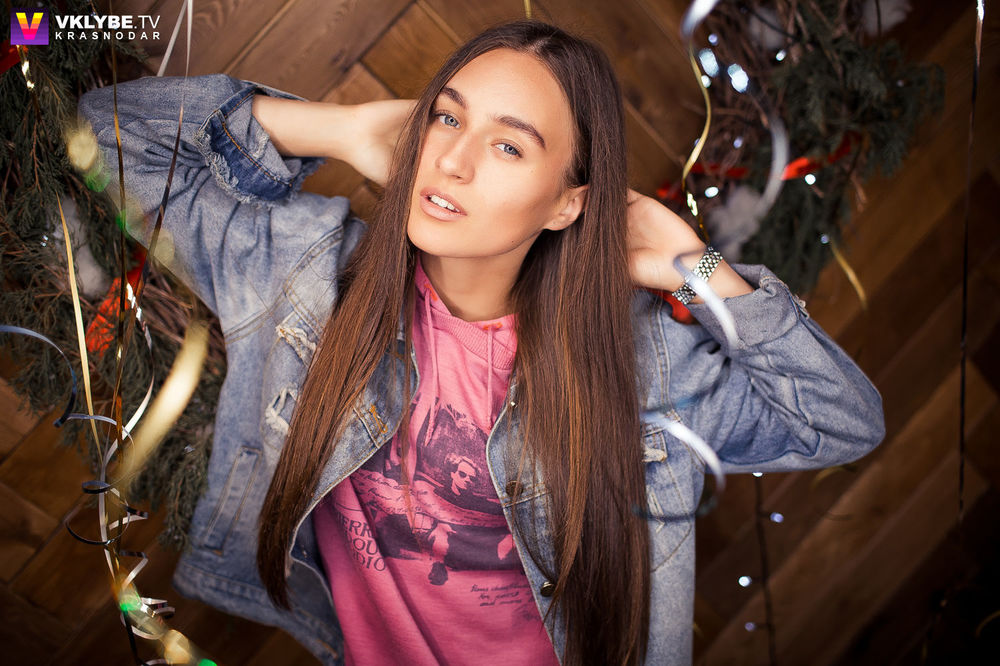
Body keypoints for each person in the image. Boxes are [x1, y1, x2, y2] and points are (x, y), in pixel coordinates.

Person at [77, 18, 885, 666]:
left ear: (568, 204)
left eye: (508, 145)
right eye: (446, 117)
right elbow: (102, 135)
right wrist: (342, 128)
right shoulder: (302, 275)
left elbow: (840, 420)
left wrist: (695, 266)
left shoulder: (641, 370)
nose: (454, 161)